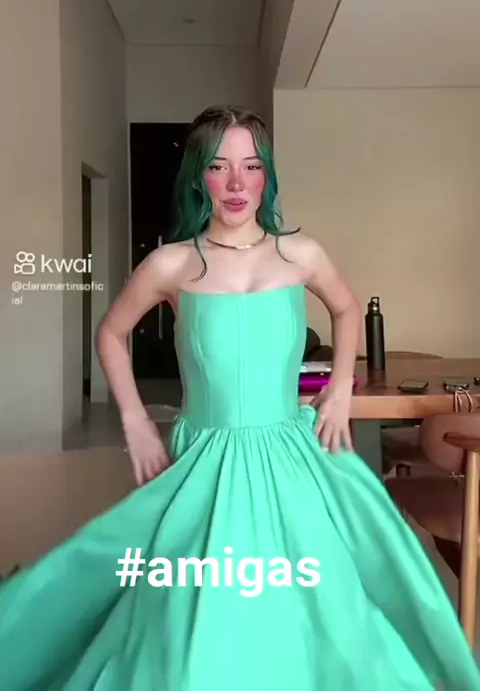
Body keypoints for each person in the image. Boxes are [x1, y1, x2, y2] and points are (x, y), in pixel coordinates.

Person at [0, 105, 478, 690]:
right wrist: (135, 422)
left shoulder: (300, 253)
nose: (236, 183)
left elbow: (347, 308)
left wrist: (337, 391)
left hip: (291, 454)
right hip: (206, 458)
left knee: (323, 606)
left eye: (251, 166)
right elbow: (111, 334)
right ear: (198, 175)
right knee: (195, 616)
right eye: (219, 166)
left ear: (265, 175)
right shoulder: (172, 262)